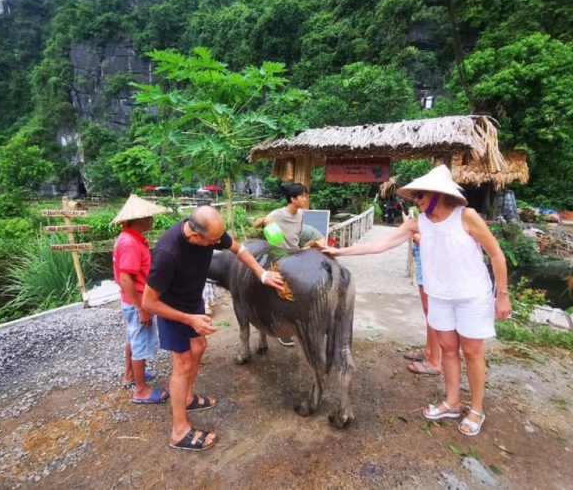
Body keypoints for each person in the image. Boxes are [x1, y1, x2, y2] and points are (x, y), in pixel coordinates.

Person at [323, 165, 511, 437]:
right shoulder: (417, 222)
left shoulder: (466, 217)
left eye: (421, 195)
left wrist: (501, 296)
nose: (417, 200)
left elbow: (496, 255)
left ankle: (477, 408)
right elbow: (380, 245)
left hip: (472, 295)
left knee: (471, 352)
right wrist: (339, 251)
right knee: (447, 349)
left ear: (438, 194)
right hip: (439, 296)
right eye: (416, 196)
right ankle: (452, 402)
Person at [142, 205, 285, 451]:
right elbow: (148, 302)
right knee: (183, 361)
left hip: (192, 302)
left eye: (219, 238)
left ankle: (187, 398)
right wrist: (189, 319)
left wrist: (262, 274)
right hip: (171, 308)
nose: (219, 243)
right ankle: (179, 431)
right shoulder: (168, 252)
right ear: (196, 236)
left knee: (198, 346)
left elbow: (239, 249)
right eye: (214, 241)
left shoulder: (211, 234)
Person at [112, 194, 170, 404]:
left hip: (131, 300)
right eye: (149, 216)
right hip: (135, 300)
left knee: (132, 339)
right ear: (139, 219)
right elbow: (126, 278)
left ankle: (130, 375)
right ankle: (141, 390)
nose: (151, 220)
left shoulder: (128, 238)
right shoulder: (130, 243)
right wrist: (142, 307)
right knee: (139, 343)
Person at [254, 182, 325, 346]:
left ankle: (299, 325)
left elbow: (297, 234)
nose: (305, 199)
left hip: (295, 255)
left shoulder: (300, 214)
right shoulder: (277, 214)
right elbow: (257, 224)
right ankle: (280, 330)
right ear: (293, 199)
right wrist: (265, 221)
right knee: (282, 295)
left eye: (306, 195)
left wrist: (307, 247)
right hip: (278, 258)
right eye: (302, 196)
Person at [402, 211, 442, 375]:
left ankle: (435, 360)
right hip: (423, 260)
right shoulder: (428, 216)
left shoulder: (444, 217)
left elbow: (433, 243)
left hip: (432, 263)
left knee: (433, 311)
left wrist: (413, 233)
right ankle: (429, 351)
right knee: (428, 310)